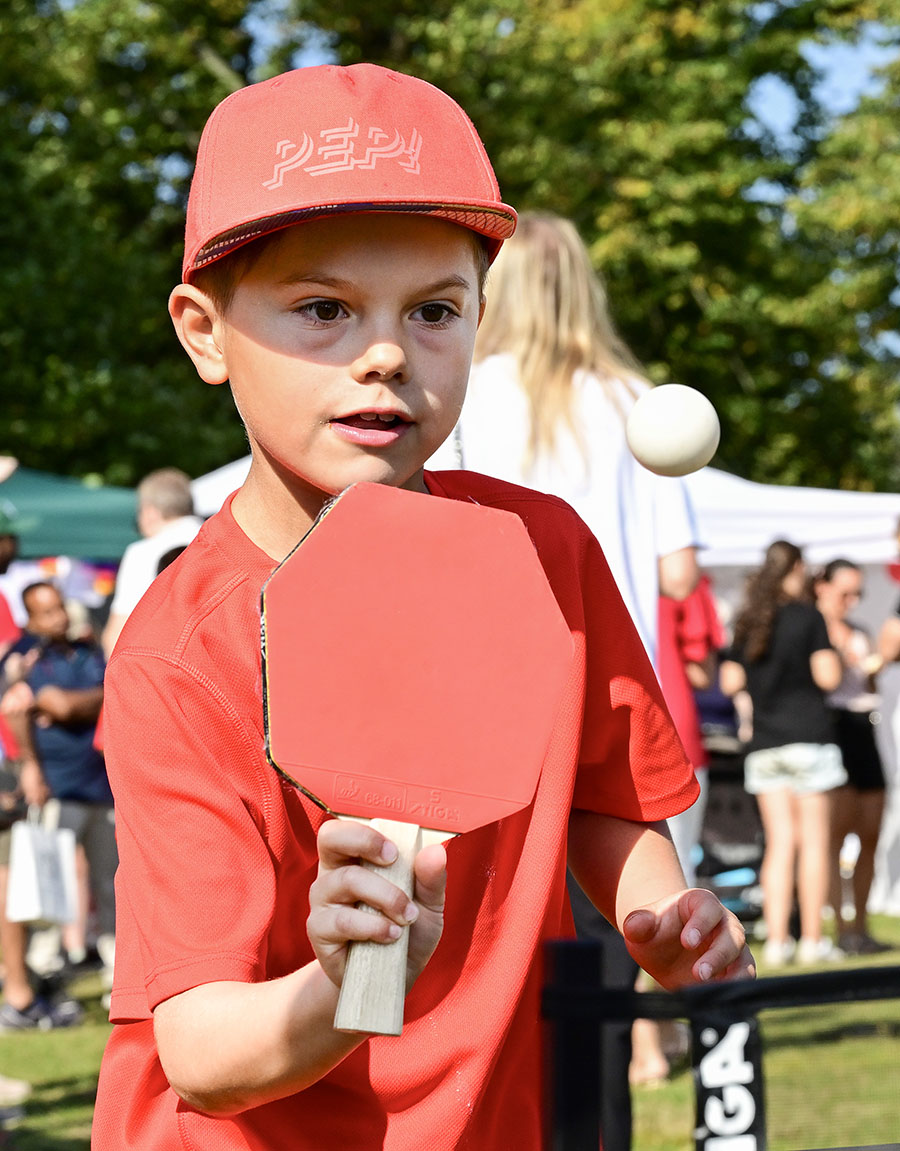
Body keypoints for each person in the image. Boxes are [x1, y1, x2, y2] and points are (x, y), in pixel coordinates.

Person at [91, 64, 753, 1151]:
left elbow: (606, 794)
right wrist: (345, 988)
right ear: (204, 332)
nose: (387, 351)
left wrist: (660, 918)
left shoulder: (544, 554)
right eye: (323, 309)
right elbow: (203, 1056)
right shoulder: (179, 653)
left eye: (434, 309)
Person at [427, 209, 704, 1130]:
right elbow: (677, 573)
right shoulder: (635, 397)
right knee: (617, 951)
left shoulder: (462, 392)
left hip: (482, 704)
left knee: (476, 951)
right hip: (614, 699)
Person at [720, 540, 845, 967]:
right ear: (793, 568)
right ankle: (810, 939)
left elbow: (730, 680)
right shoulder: (809, 618)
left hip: (765, 744)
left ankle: (776, 940)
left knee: (778, 845)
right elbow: (826, 676)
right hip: (808, 738)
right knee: (814, 844)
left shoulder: (749, 620)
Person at [0, 582, 115, 996]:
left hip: (101, 784)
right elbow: (19, 708)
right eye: (46, 612)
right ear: (30, 618)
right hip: (55, 788)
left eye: (59, 608)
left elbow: (105, 695)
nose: (57, 618)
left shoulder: (87, 651)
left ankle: (115, 973)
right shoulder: (24, 659)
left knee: (110, 883)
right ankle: (43, 970)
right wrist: (31, 763)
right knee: (50, 882)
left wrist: (59, 702)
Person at [814, 559, 891, 955]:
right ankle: (839, 927)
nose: (852, 601)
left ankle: (860, 925)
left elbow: (870, 680)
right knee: (832, 836)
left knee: (870, 833)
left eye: (857, 593)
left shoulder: (859, 631)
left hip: (865, 727)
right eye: (845, 592)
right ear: (823, 588)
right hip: (834, 729)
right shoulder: (813, 632)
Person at [101, 468, 203, 656]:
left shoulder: (142, 553)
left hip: (165, 662)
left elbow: (117, 633)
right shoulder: (218, 538)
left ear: (150, 513)